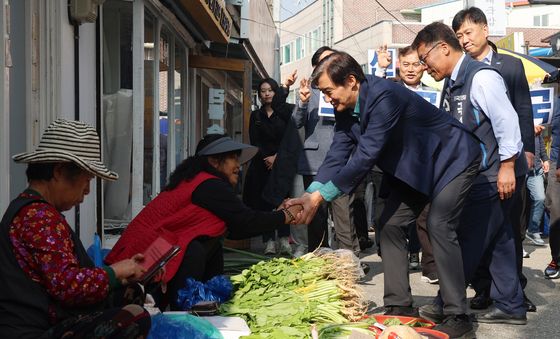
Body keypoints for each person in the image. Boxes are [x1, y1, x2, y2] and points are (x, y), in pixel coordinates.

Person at [286, 51, 482, 338]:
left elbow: (365, 156)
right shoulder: (346, 109)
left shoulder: (384, 96)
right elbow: (338, 152)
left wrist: (321, 198)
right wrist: (311, 192)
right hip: (417, 168)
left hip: (453, 160)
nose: (327, 99)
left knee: (439, 225)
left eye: (329, 91)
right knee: (388, 224)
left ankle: (457, 314)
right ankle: (399, 305)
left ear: (351, 81)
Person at [413, 22, 526, 333]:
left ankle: (445, 301)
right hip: (483, 173)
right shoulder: (453, 81)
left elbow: (507, 122)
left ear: (444, 49)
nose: (425, 66)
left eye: (425, 58)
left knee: (466, 241)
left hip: (493, 175)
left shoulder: (482, 77)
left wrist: (506, 166)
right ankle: (511, 304)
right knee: (500, 241)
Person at [105, 134, 302, 310]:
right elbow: (244, 222)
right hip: (141, 263)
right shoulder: (208, 184)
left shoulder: (198, 181)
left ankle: (203, 302)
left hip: (152, 256)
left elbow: (235, 227)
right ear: (215, 161)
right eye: (233, 158)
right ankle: (186, 307)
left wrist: (279, 214)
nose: (239, 166)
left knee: (210, 243)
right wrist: (286, 216)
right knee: (196, 249)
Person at [0, 119, 151, 338]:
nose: (87, 191)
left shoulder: (35, 212)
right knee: (134, 317)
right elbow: (66, 286)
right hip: (31, 331)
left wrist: (122, 277)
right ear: (59, 171)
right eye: (86, 180)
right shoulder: (37, 216)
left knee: (129, 294)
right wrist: (114, 272)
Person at [451, 7, 537, 313]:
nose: (464, 39)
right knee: (483, 230)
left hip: (508, 162)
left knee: (508, 230)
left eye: (468, 32)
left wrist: (524, 151)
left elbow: (521, 112)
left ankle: (515, 291)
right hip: (477, 167)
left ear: (485, 30)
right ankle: (484, 288)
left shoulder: (510, 66)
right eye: (459, 35)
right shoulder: (459, 73)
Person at [243, 78, 294, 255]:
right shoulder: (256, 115)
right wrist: (266, 158)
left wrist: (277, 158)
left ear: (276, 92)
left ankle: (284, 239)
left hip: (282, 163)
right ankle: (269, 241)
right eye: (263, 91)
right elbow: (255, 140)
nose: (266, 94)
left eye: (270, 90)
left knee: (284, 201)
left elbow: (290, 137)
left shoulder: (286, 112)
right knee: (265, 203)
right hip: (262, 163)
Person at [526, 130, 549, 246]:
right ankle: (516, 238)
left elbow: (540, 144)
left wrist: (545, 159)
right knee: (518, 205)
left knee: (540, 198)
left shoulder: (536, 126)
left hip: (535, 170)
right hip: (518, 169)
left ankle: (533, 230)